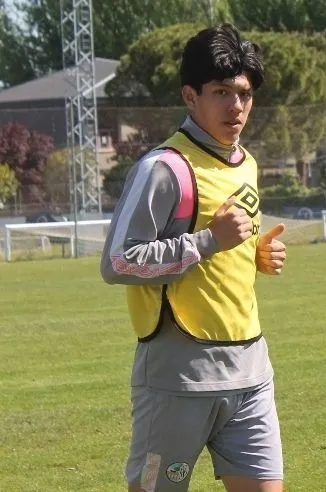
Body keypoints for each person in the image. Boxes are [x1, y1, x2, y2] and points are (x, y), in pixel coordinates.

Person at [100, 23, 288, 492]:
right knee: (153, 488)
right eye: (221, 92)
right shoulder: (162, 168)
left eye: (244, 93)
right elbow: (118, 261)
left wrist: (257, 254)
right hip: (179, 380)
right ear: (190, 96)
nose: (236, 106)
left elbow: (226, 245)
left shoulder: (247, 163)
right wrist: (207, 242)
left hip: (251, 372)